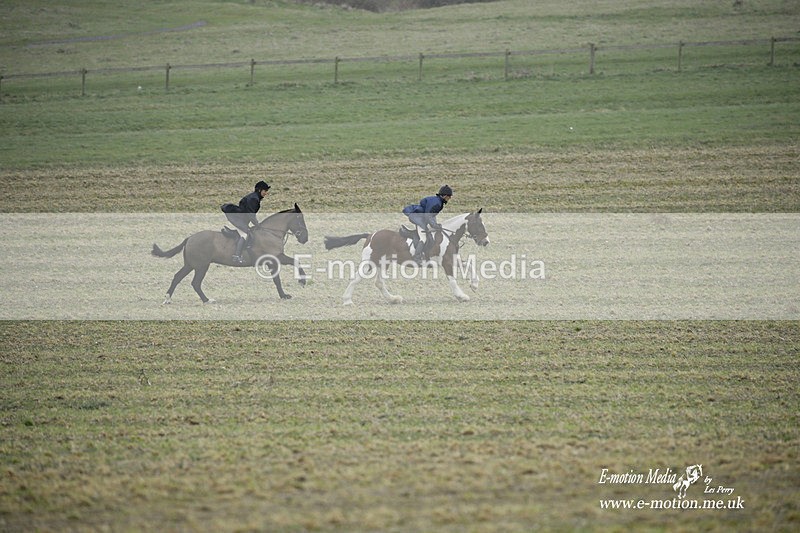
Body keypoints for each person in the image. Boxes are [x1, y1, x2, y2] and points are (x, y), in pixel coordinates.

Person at [221, 180, 271, 264]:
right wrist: (258, 225)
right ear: (259, 190)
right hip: (237, 218)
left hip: (240, 217)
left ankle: (234, 234)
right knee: (245, 234)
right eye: (265, 191)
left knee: (247, 232)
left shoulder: (255, 197)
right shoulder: (254, 199)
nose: (266, 193)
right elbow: (251, 215)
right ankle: (237, 256)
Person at [402, 184, 453, 264]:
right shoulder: (437, 203)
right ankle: (416, 258)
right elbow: (428, 216)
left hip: (421, 217)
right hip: (418, 217)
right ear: (445, 196)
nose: (450, 198)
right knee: (424, 238)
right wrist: (435, 225)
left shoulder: (437, 201)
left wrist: (435, 224)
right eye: (449, 196)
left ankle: (426, 256)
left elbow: (432, 215)